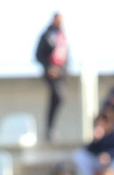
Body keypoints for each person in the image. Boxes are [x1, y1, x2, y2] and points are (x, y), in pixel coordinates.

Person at [36, 13, 69, 143]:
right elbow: (38, 55)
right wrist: (49, 67)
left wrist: (62, 71)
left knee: (59, 98)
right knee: (57, 96)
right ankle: (49, 130)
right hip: (50, 73)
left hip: (60, 73)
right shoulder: (46, 36)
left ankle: (51, 129)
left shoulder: (62, 37)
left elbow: (66, 57)